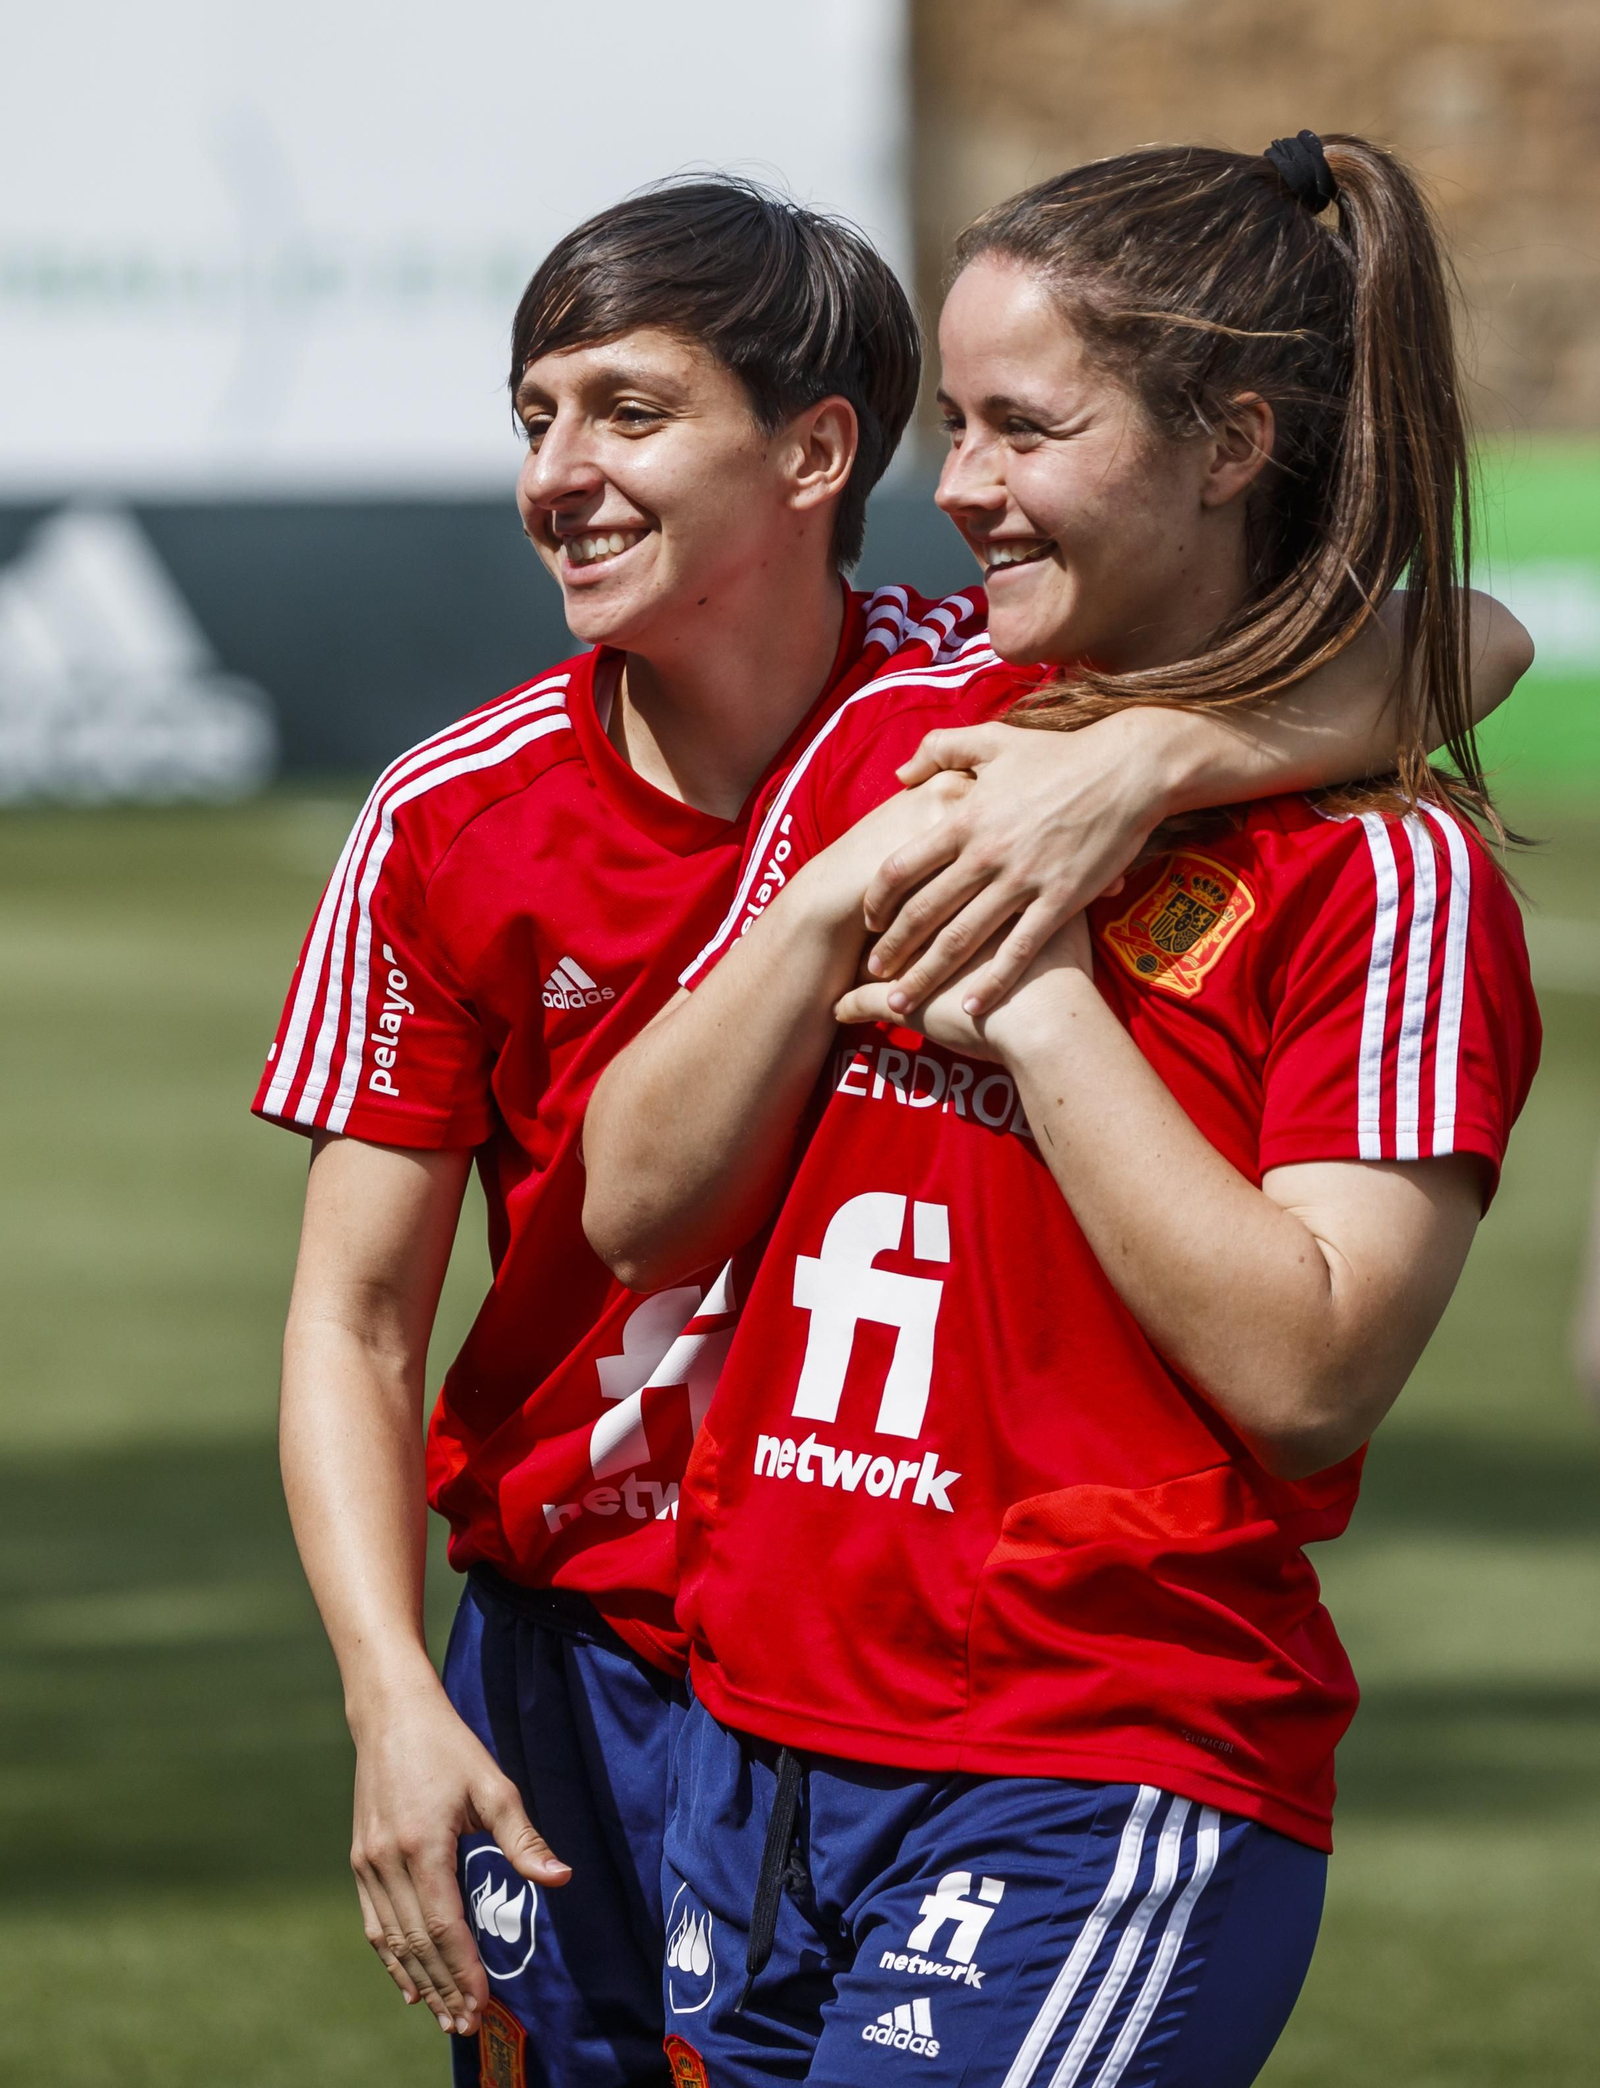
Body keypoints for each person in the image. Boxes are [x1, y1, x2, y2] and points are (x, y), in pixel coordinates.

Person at [583, 133, 1542, 2087]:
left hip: (1079, 1772)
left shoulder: (1383, 871)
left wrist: (1039, 996)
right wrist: (843, 891)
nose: (953, 489)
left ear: (1224, 443)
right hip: (753, 1740)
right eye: (953, 420)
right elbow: (635, 1205)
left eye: (1022, 428)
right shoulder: (886, 731)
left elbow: (1309, 1371)